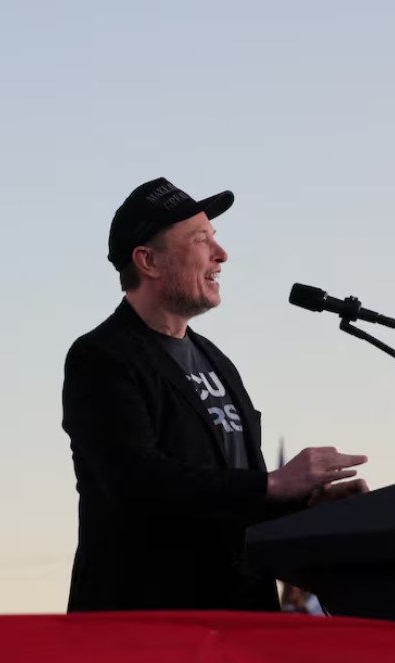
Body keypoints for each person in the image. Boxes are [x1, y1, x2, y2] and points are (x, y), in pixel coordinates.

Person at [62, 177, 367, 613]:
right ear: (148, 260)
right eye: (201, 240)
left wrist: (309, 506)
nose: (221, 255)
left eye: (215, 239)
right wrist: (275, 483)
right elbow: (136, 481)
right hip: (151, 628)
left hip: (240, 621)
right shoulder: (101, 357)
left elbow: (232, 500)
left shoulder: (218, 362)